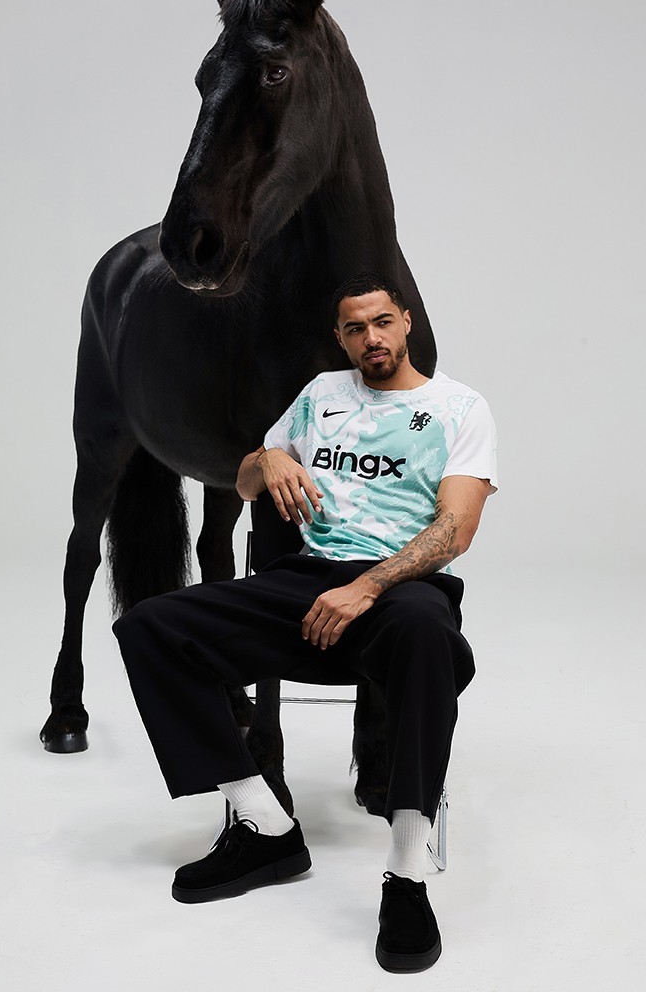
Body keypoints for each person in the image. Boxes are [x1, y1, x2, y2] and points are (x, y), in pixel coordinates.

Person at [113, 274, 497, 973]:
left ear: (406, 322)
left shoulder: (458, 408)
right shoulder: (320, 395)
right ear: (340, 338)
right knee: (150, 626)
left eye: (382, 322)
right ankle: (265, 825)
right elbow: (246, 482)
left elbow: (457, 529)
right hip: (304, 582)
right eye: (355, 328)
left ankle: (407, 876)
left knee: (426, 634)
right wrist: (267, 457)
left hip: (401, 586)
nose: (371, 338)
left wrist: (367, 586)